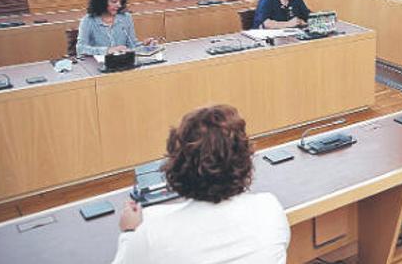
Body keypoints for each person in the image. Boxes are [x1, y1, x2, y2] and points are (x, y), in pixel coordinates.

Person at [110, 104, 290, 264]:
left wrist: (128, 233)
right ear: (245, 159)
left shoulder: (149, 229)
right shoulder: (269, 208)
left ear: (177, 164)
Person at [76, 0, 156, 56]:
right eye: (114, 2)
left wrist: (144, 45)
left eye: (120, 2)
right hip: (98, 66)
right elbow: (80, 49)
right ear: (101, 1)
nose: (119, 5)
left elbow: (132, 45)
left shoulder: (126, 18)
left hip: (123, 64)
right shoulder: (88, 21)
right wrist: (108, 50)